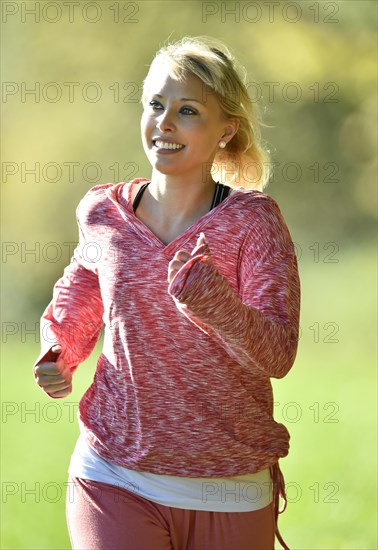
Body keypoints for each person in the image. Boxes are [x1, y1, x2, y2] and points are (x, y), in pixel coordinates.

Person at [33, 36, 300, 550]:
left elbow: (279, 353)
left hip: (229, 485)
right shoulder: (103, 213)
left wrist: (213, 302)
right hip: (113, 472)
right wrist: (59, 348)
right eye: (156, 105)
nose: (165, 122)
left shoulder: (253, 221)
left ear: (227, 130)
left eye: (187, 110)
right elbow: (82, 292)